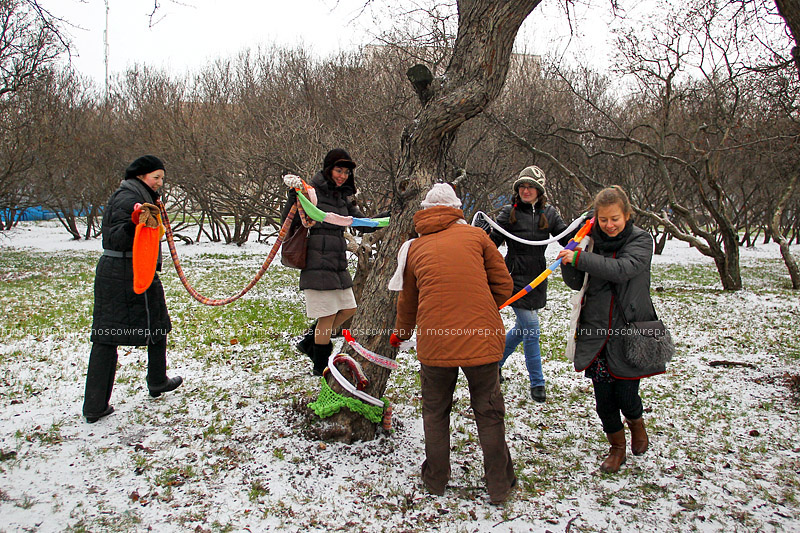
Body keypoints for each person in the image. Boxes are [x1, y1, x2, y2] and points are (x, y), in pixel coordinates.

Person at [390, 183, 517, 505]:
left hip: (435, 344)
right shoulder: (477, 237)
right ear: (455, 209)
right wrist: (481, 307)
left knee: (435, 412)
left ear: (427, 211)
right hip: (482, 339)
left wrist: (401, 335)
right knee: (489, 412)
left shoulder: (414, 248)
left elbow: (407, 302)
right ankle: (499, 485)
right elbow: (504, 286)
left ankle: (435, 479)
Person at [557, 185, 666, 473]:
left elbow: (622, 269)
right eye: (603, 219)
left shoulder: (642, 241)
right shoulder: (590, 242)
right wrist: (570, 254)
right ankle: (617, 447)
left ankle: (636, 422)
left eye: (615, 218)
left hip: (631, 330)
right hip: (596, 331)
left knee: (626, 395)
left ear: (627, 215)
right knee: (604, 400)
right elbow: (575, 281)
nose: (609, 225)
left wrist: (581, 258)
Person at [83, 155, 183, 423]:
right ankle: (95, 406)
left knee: (159, 324)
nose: (161, 183)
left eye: (162, 178)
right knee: (107, 335)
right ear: (141, 176)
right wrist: (134, 222)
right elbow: (114, 237)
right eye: (156, 178)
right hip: (121, 274)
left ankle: (158, 380)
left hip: (139, 270)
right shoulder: (127, 197)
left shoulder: (141, 194)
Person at [282, 148, 378, 376]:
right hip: (316, 261)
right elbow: (289, 219)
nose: (342, 176)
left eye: (346, 172)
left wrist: (388, 217)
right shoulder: (310, 192)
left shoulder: (342, 197)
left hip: (337, 262)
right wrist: (294, 197)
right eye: (338, 170)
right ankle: (320, 366)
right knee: (326, 317)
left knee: (348, 308)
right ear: (328, 169)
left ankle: (310, 343)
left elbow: (359, 222)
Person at [485, 166, 570, 403]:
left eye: (530, 186)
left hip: (538, 278)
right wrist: (480, 236)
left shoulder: (550, 213)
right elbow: (491, 243)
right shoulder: (508, 212)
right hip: (512, 278)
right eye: (522, 186)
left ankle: (495, 365)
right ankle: (538, 383)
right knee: (531, 328)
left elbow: (567, 238)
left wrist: (586, 227)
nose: (526, 190)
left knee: (523, 329)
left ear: (539, 190)